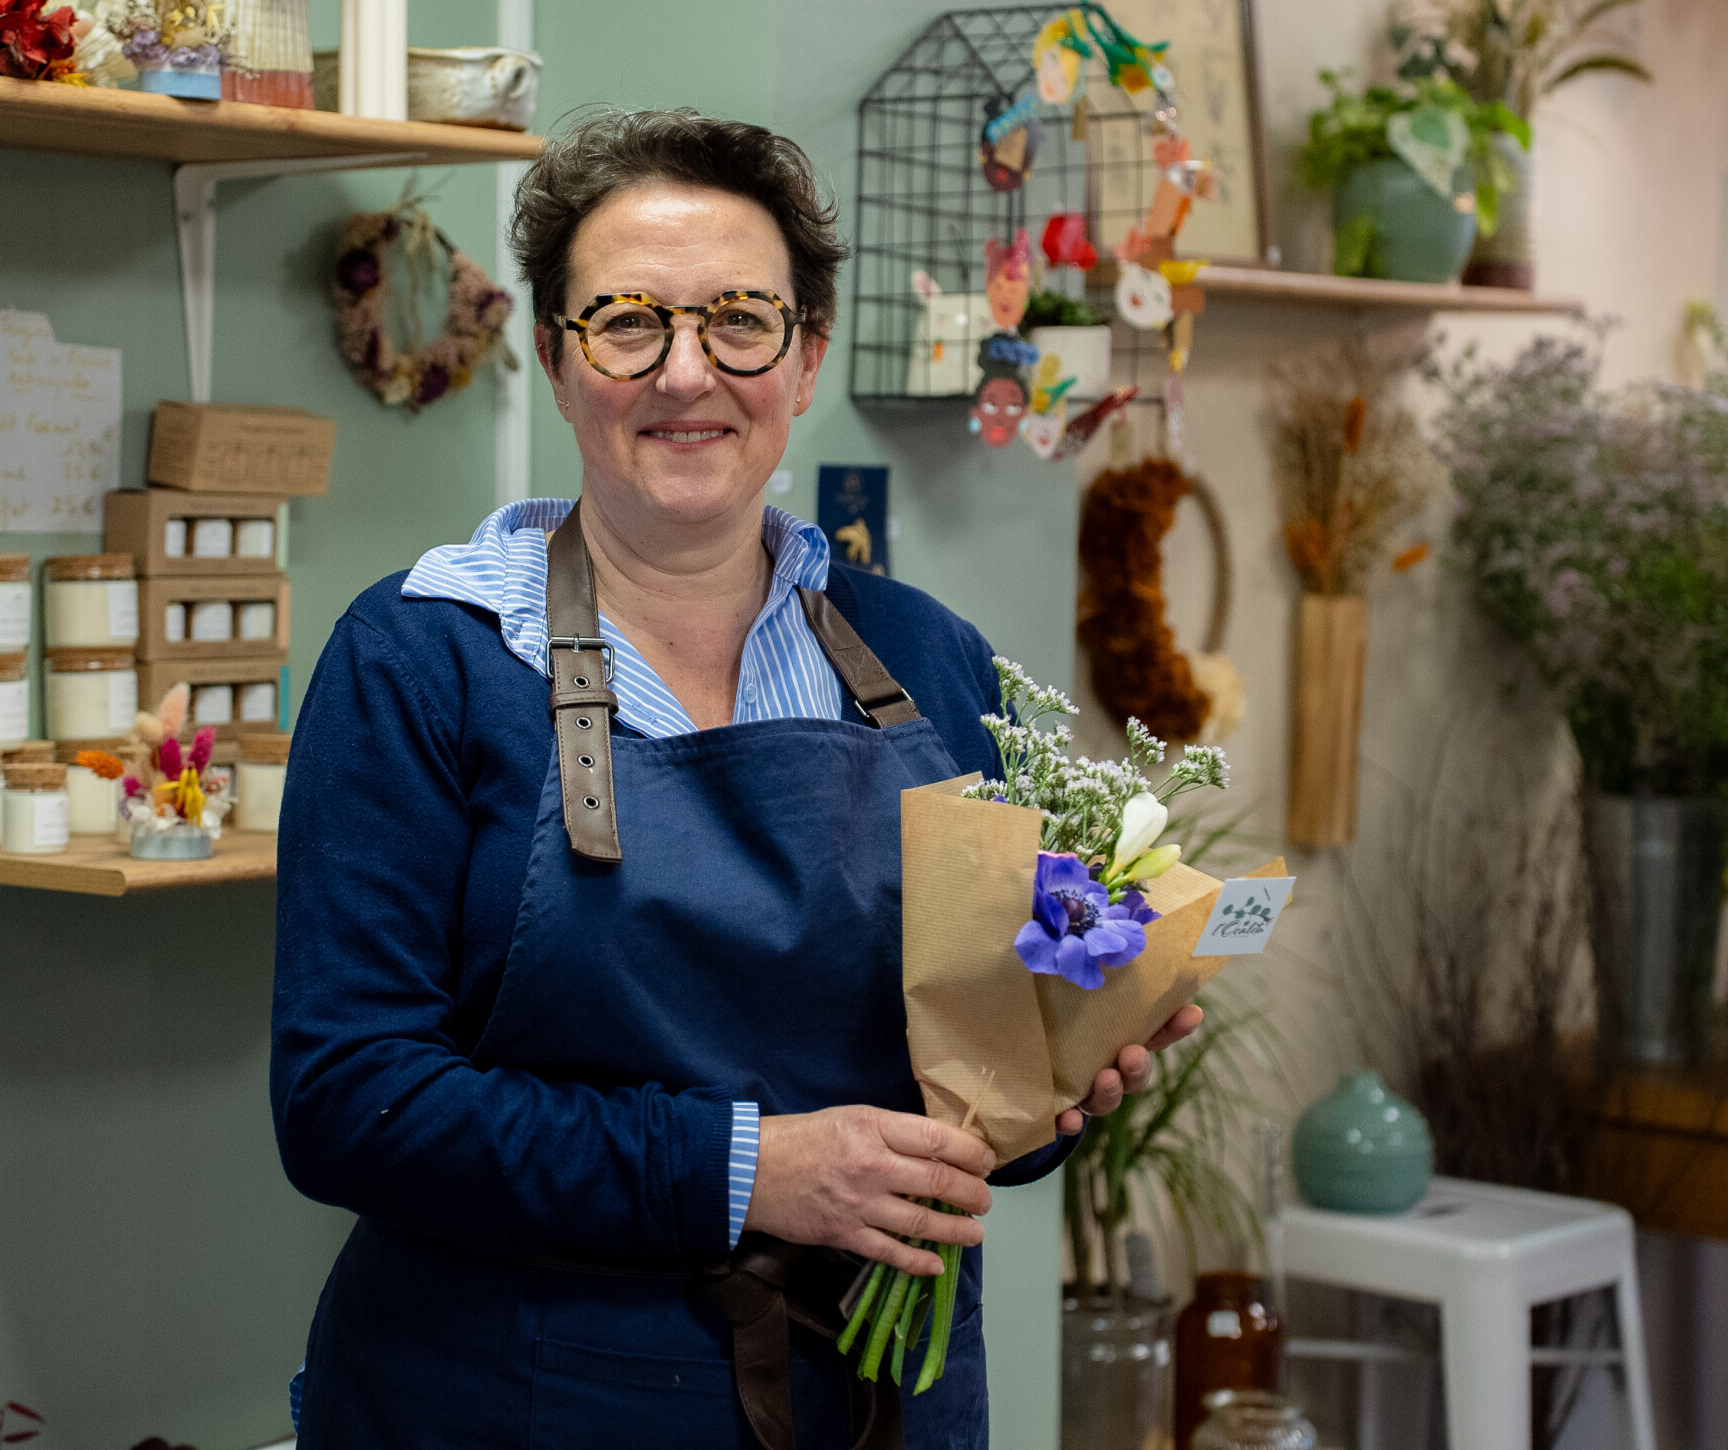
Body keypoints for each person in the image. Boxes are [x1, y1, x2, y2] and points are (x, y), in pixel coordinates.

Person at [272, 108, 1203, 1449]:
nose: (686, 372)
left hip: (881, 1400)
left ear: (806, 353)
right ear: (554, 354)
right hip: (517, 1400)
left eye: (741, 321)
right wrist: (742, 1170)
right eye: (628, 322)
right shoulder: (424, 658)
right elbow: (345, 1099)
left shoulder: (928, 660)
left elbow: (961, 1093)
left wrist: (1053, 1078)